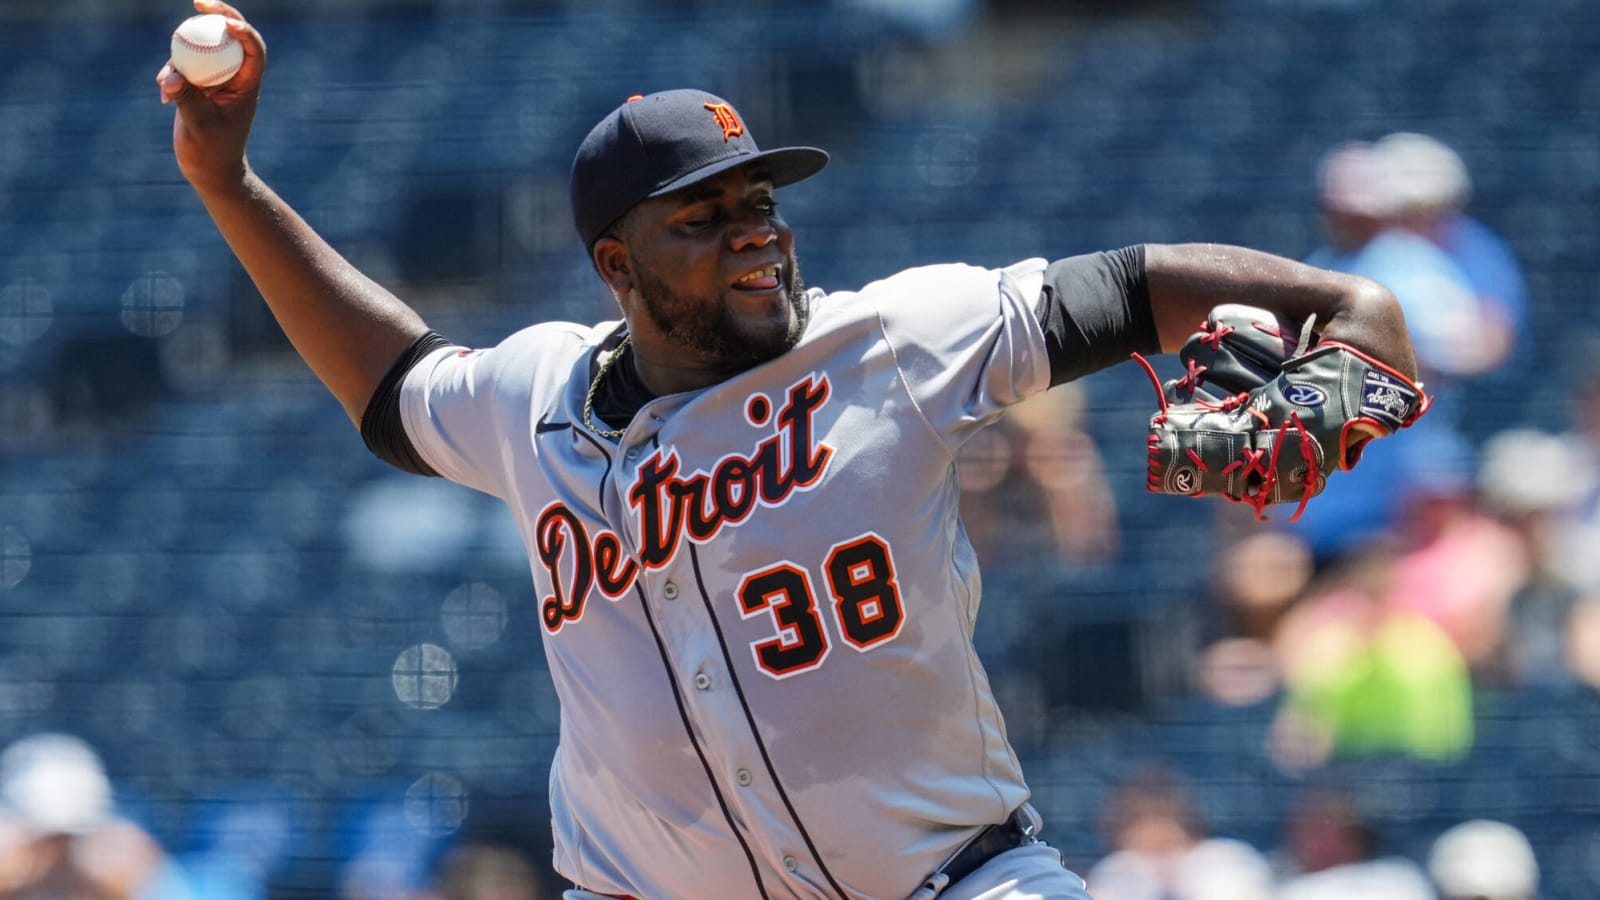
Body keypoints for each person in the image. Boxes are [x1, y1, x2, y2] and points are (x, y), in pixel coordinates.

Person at [155, 2, 1421, 897]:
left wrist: (1358, 335)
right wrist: (228, 183)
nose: (751, 230)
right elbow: (392, 383)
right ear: (616, 266)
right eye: (701, 217)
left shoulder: (904, 336)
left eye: (759, 201)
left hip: (958, 880)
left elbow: (1217, 293)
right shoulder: (532, 391)